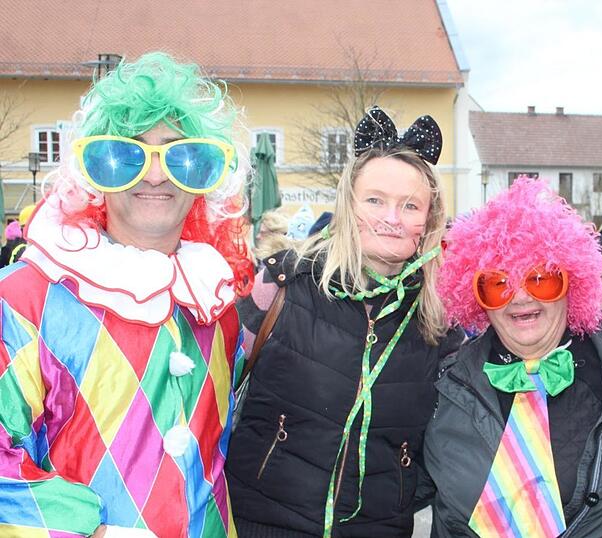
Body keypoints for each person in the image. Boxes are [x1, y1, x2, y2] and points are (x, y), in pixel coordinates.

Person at [0, 53, 253, 537]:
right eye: (125, 155)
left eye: (181, 157)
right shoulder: (24, 300)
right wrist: (87, 528)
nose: (156, 175)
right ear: (92, 171)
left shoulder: (215, 308)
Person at [226, 106, 462, 537]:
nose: (391, 218)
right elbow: (212, 384)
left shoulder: (442, 323)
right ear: (348, 205)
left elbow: (453, 441)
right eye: (375, 200)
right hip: (261, 522)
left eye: (410, 206)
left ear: (428, 220)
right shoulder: (284, 283)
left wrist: (402, 489)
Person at [423, 177, 602, 537]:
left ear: (572, 282)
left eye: (541, 279)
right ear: (477, 296)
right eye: (498, 284)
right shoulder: (447, 387)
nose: (520, 299)